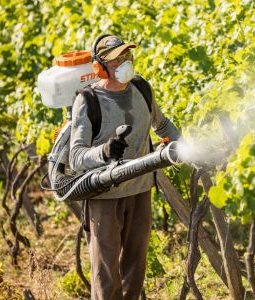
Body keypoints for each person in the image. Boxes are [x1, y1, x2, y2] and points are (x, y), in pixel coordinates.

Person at [69, 34, 181, 300]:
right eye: (116, 59)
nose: (124, 62)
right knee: (106, 276)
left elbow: (162, 124)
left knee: (135, 268)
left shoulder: (142, 88)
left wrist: (182, 143)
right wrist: (104, 151)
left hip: (140, 190)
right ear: (99, 67)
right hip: (104, 196)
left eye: (126, 56)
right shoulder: (88, 101)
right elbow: (76, 156)